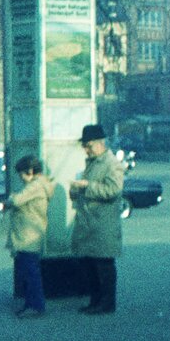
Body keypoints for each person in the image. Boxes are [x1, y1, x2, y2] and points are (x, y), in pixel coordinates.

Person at [70, 123, 125, 315]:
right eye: (85, 146)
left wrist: (87, 186)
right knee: (90, 266)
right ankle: (95, 301)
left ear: (101, 143)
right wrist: (75, 191)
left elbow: (113, 190)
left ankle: (107, 303)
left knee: (104, 267)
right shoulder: (92, 163)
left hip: (103, 225)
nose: (86, 149)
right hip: (89, 224)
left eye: (89, 145)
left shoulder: (112, 164)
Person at [7, 155, 54, 319]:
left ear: (30, 171)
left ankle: (35, 305)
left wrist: (11, 197)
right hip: (31, 234)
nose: (21, 179)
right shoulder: (41, 184)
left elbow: (17, 200)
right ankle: (32, 303)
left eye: (21, 174)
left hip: (28, 236)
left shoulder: (35, 186)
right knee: (29, 272)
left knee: (30, 273)